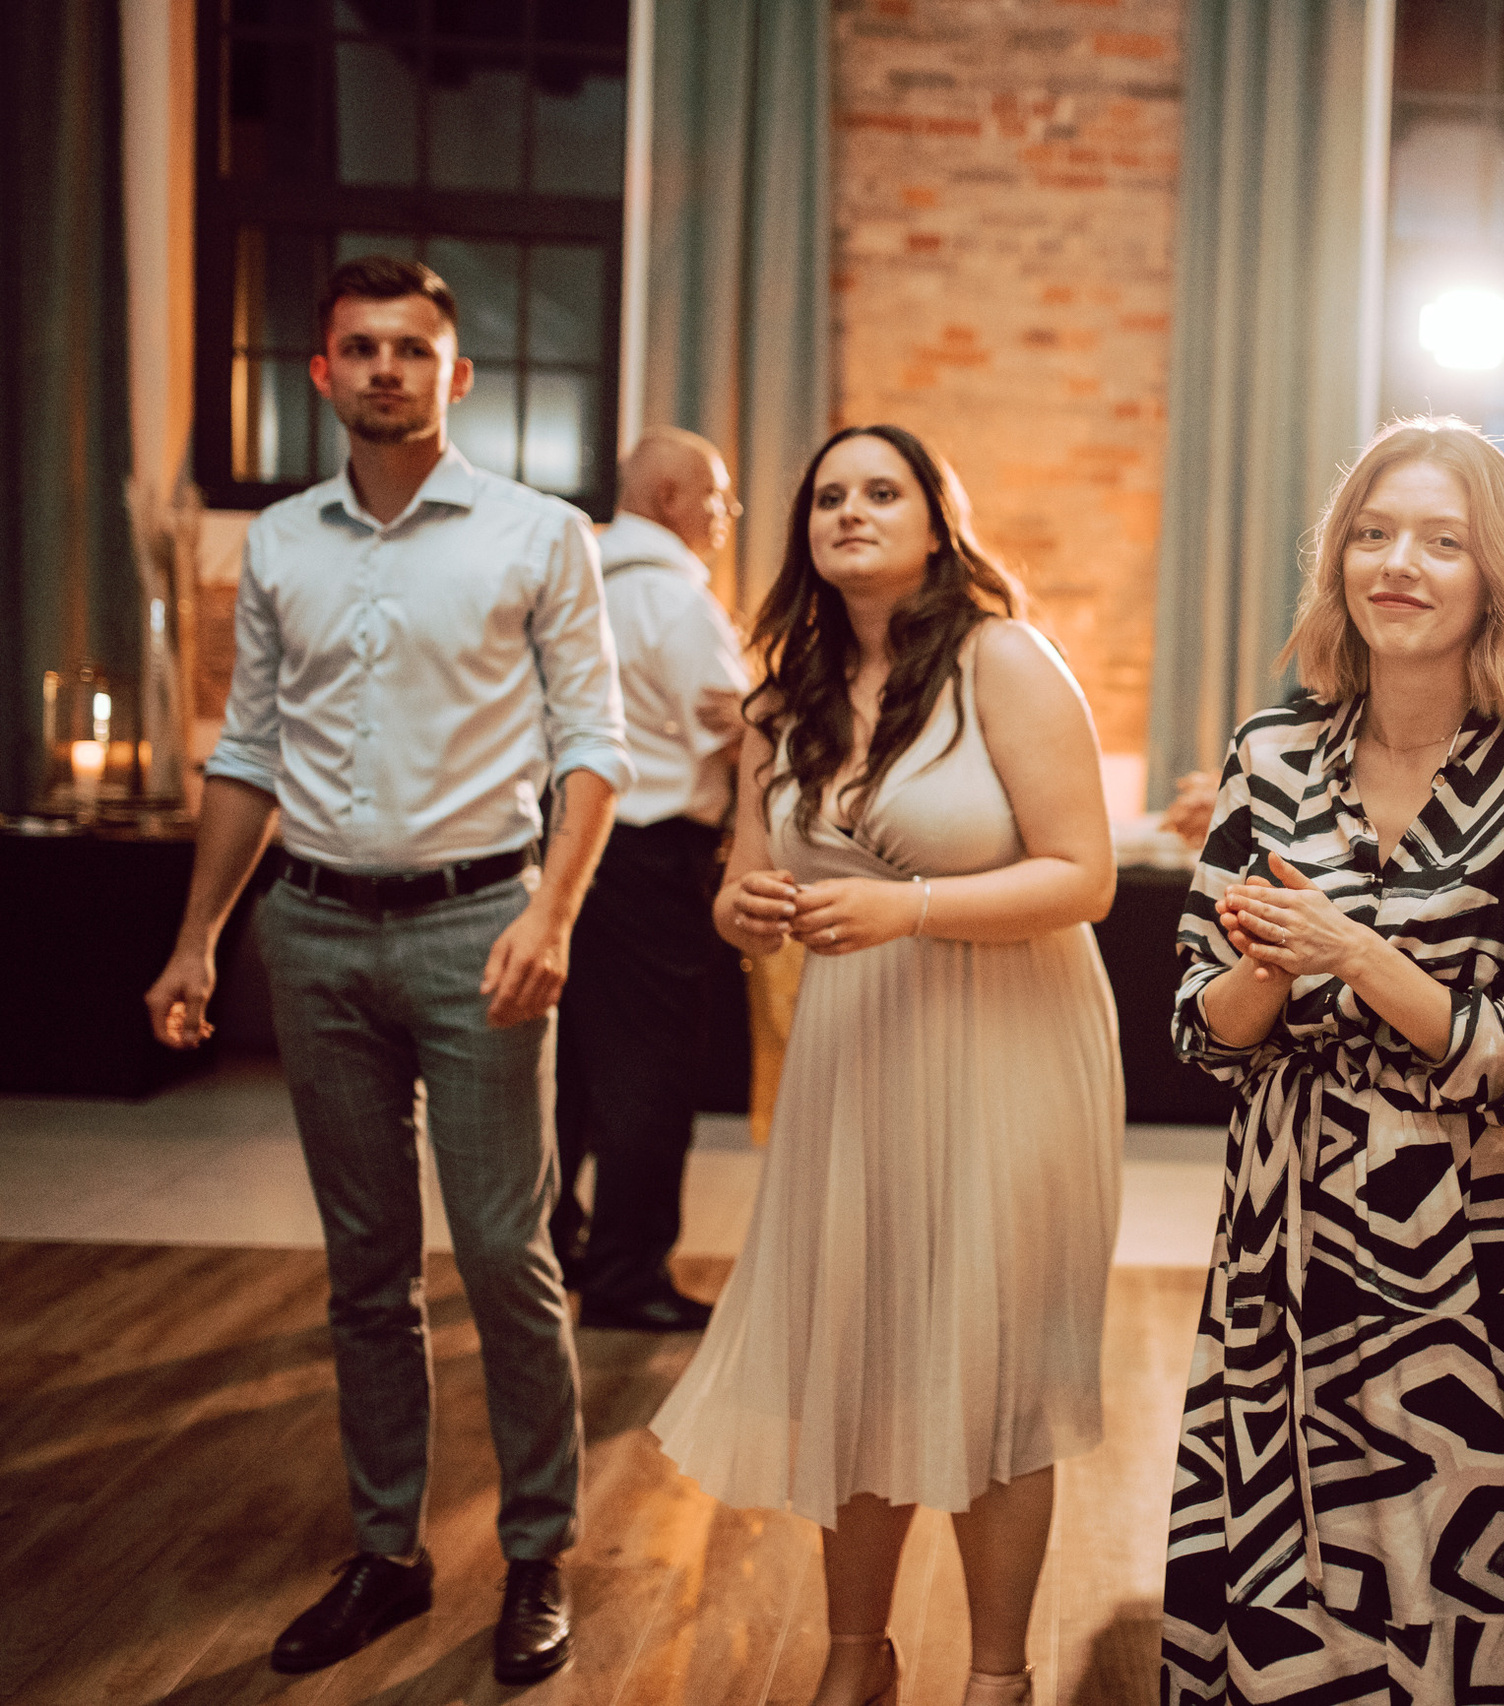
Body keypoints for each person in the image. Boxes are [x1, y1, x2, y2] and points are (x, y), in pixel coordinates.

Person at [143, 255, 629, 1684]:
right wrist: (195, 936)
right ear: (321, 371)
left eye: (412, 349)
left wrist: (550, 919)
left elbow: (592, 743)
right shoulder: (283, 542)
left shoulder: (539, 534)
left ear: (455, 375)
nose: (386, 370)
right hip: (310, 928)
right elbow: (248, 752)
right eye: (359, 347)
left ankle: (538, 1549)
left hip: (478, 925)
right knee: (363, 1267)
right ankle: (386, 1551)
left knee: (500, 1252)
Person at [1162, 417, 1504, 1705]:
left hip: (1470, 1236)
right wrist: (1263, 974)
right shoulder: (1269, 754)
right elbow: (1192, 1026)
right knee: (1290, 1551)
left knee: (1463, 1564)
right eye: (1372, 535)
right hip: (1287, 1220)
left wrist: (1355, 955)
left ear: (1498, 574)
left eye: (1442, 540)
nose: (1399, 564)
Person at [649, 424, 1121, 1706]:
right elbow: (746, 873)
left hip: (1009, 1044)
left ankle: (998, 1673)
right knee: (851, 1346)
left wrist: (909, 910)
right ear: (804, 532)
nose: (850, 510)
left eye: (882, 490)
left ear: (935, 520)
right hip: (854, 1053)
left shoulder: (1003, 661)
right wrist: (743, 911)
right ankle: (856, 1657)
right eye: (827, 497)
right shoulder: (782, 697)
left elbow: (1083, 876)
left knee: (999, 1354)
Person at [550, 424, 752, 1332]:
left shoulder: (575, 579)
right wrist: (772, 710)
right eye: (715, 497)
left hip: (565, 848)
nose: (726, 516)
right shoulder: (677, 603)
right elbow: (729, 729)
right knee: (649, 1072)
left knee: (569, 1071)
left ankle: (552, 1246)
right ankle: (628, 1276)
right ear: (669, 500)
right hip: (652, 853)